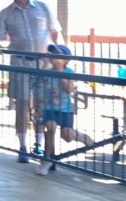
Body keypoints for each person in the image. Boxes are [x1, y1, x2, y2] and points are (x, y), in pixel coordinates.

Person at [0, 0, 62, 164]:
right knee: (21, 106)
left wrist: (58, 56)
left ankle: (38, 145)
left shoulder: (43, 8)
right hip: (20, 63)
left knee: (40, 106)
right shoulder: (5, 13)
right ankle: (22, 147)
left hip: (42, 64)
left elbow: (54, 32)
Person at [36, 44, 94, 176]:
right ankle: (47, 160)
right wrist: (39, 106)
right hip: (50, 109)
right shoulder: (48, 72)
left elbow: (69, 90)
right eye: (52, 56)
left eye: (58, 56)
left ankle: (80, 136)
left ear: (65, 60)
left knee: (66, 136)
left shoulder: (69, 73)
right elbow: (42, 89)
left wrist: (60, 74)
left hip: (65, 110)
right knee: (50, 128)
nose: (54, 58)